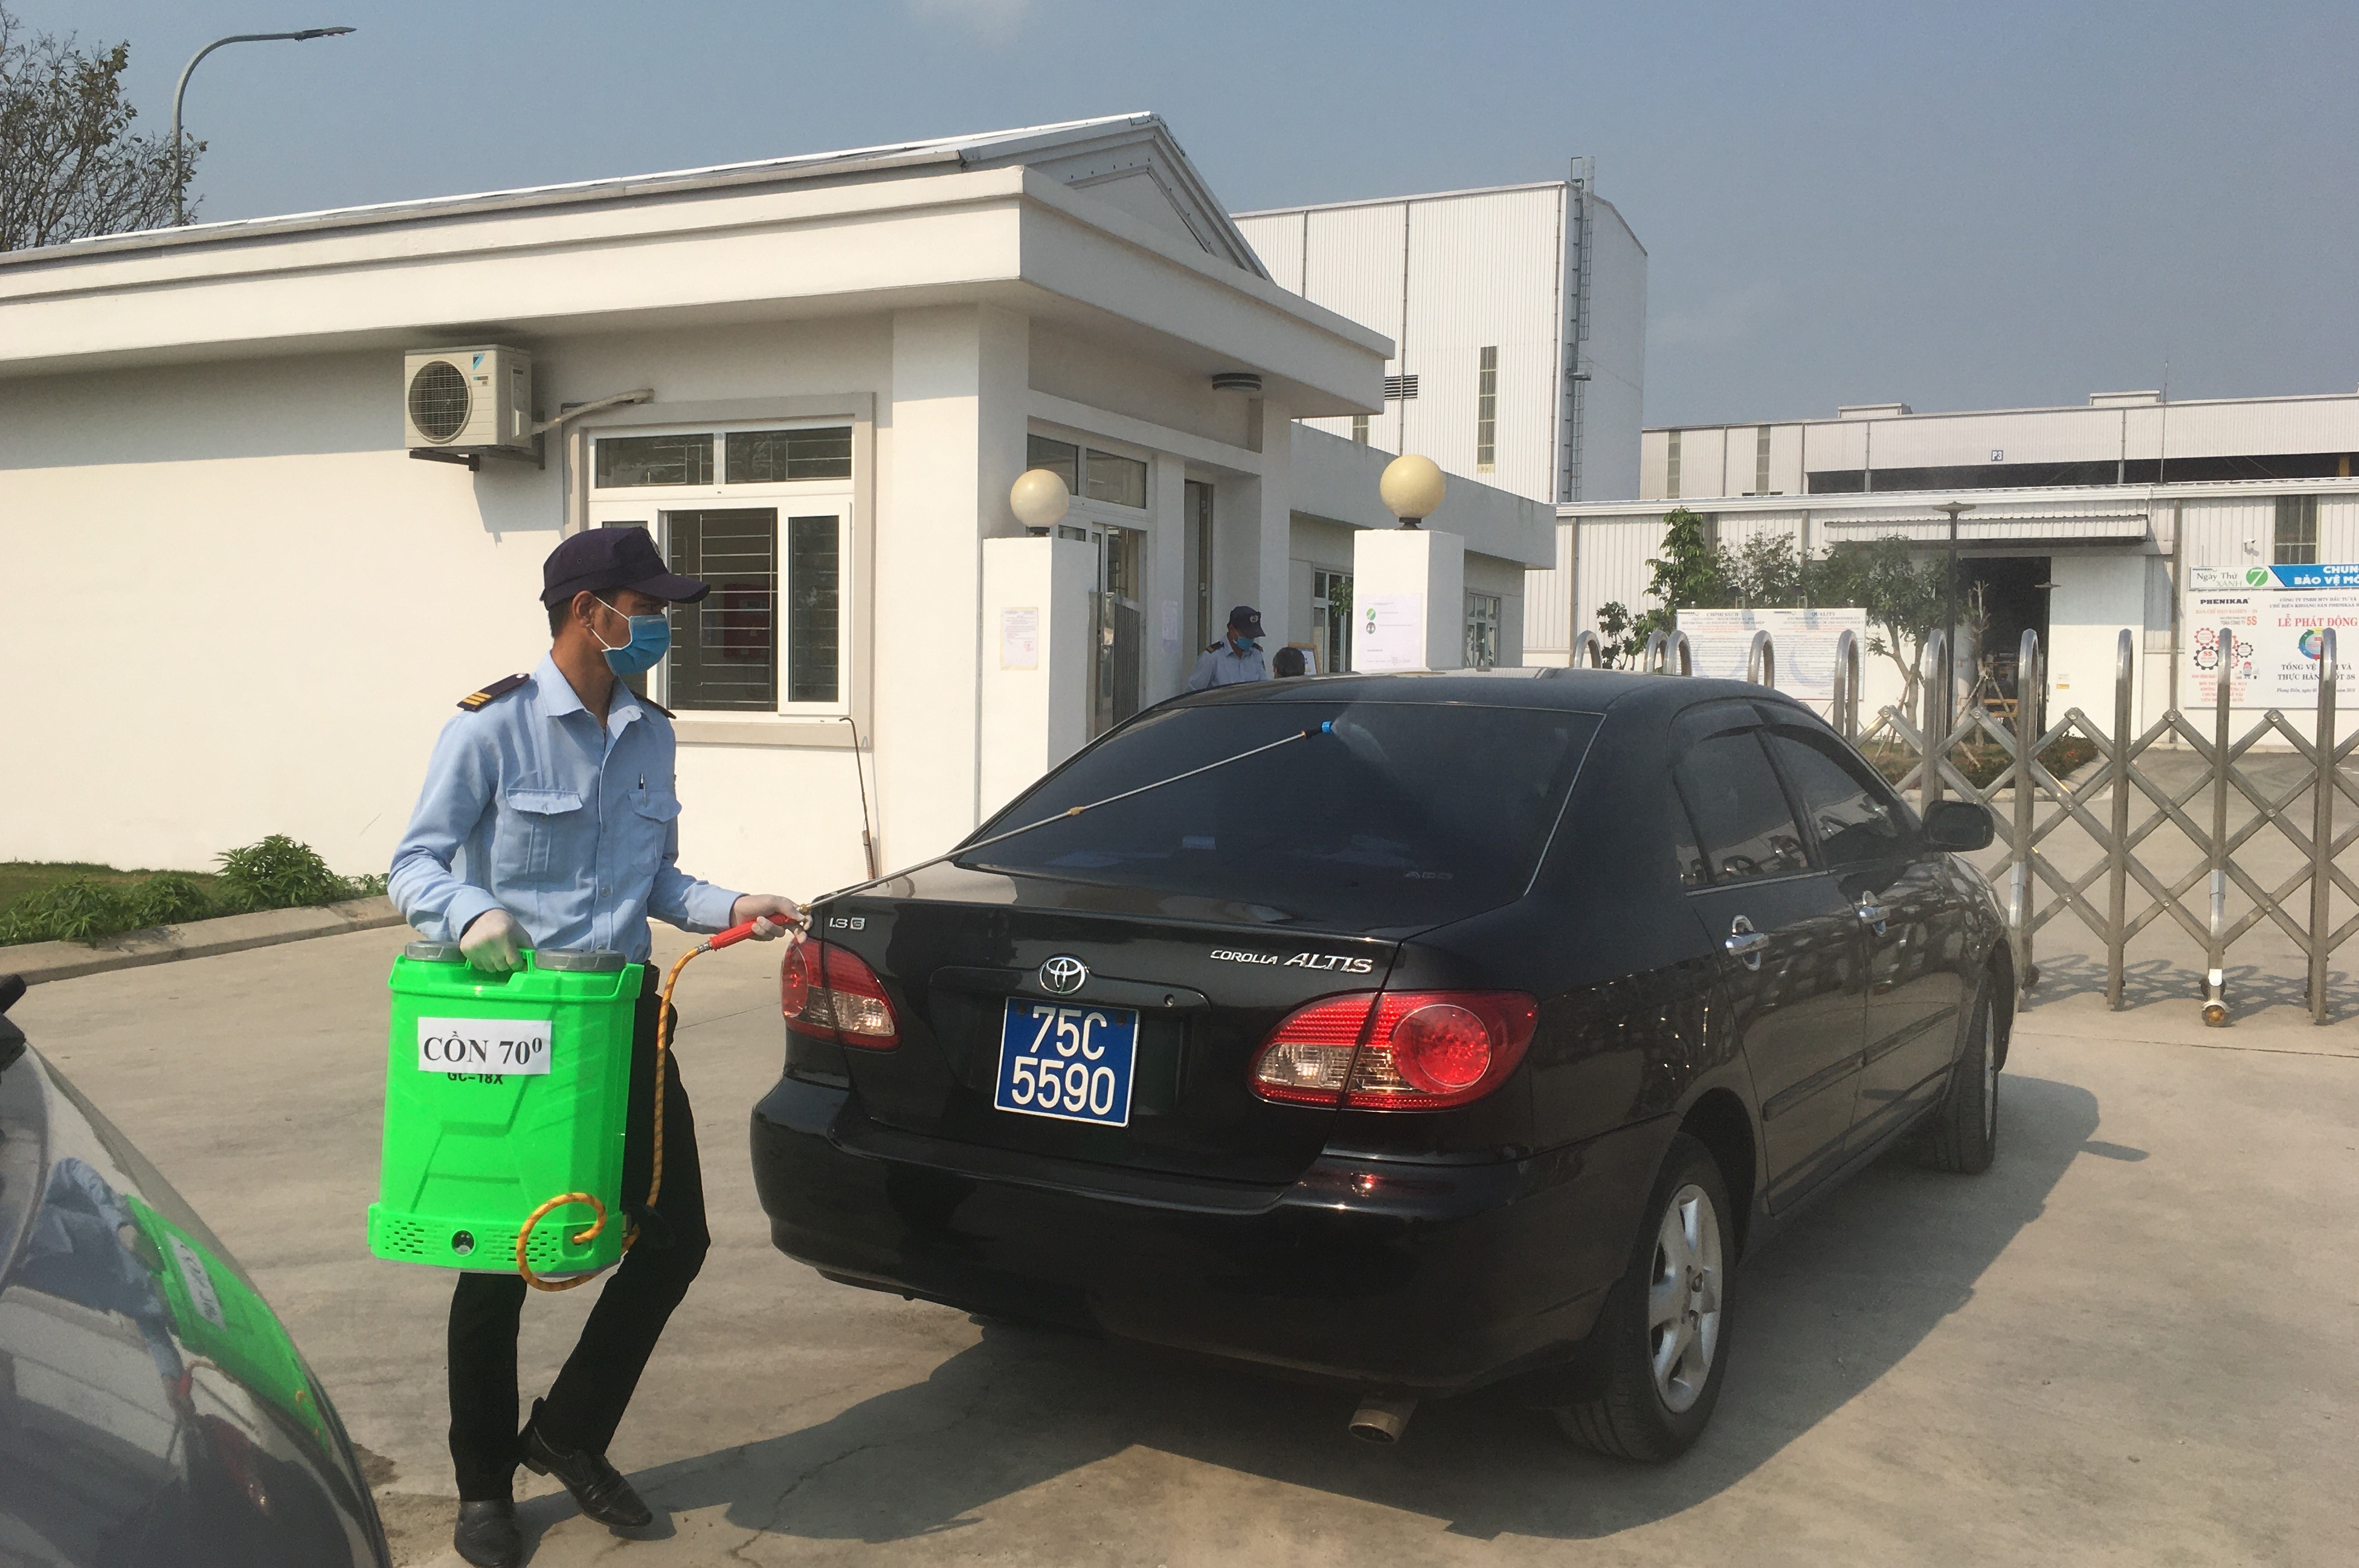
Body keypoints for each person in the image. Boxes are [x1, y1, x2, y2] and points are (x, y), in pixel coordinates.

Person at [388, 527, 800, 1568]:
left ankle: (568, 1431)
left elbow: (656, 880)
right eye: (646, 608)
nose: (660, 627)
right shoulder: (492, 728)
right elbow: (415, 864)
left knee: (675, 1239)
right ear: (589, 611)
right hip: (518, 1032)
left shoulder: (649, 734)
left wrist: (734, 905)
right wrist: (472, 914)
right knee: (501, 1258)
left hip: (625, 1020)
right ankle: (483, 1486)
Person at [1186, 605, 1271, 690]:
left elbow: (1263, 689)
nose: (1250, 639)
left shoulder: (1256, 654)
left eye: (1252, 636)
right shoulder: (1212, 658)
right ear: (1232, 629)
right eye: (1246, 635)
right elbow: (1194, 693)